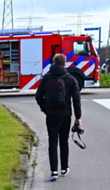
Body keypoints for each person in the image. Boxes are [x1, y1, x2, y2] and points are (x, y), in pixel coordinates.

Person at [35, 53, 82, 182]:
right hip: (66, 114)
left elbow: (38, 96)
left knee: (52, 142)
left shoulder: (47, 78)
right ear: (64, 63)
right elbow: (76, 101)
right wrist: (78, 118)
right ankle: (64, 168)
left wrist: (45, 109)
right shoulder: (71, 79)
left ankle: (53, 171)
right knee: (64, 141)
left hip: (51, 114)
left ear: (54, 63)